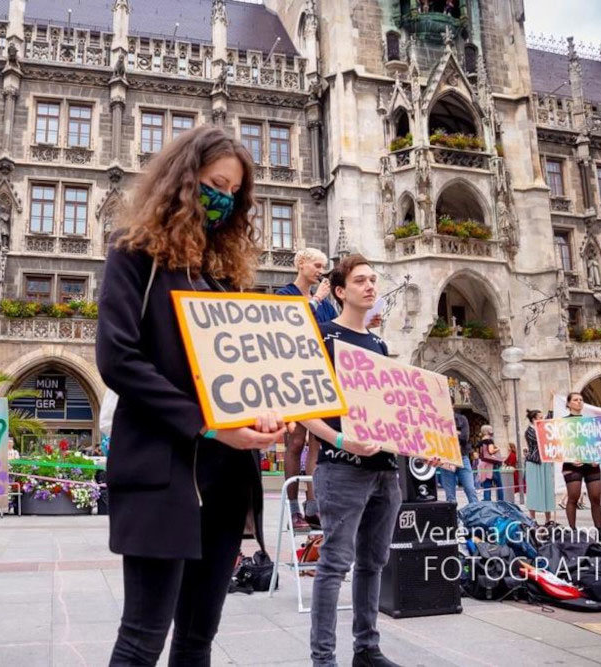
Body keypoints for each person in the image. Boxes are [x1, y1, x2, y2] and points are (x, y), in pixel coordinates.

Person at [96, 125, 288, 666]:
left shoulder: (224, 279)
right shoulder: (135, 254)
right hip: (163, 469)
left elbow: (245, 374)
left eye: (234, 193)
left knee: (197, 640)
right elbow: (117, 360)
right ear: (184, 180)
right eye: (215, 184)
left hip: (225, 478)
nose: (223, 200)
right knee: (141, 640)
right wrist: (205, 422)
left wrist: (273, 411)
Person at [301, 254, 402, 667]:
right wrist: (341, 438)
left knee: (373, 564)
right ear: (340, 291)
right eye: (361, 280)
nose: (371, 286)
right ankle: (324, 659)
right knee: (333, 566)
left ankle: (367, 649)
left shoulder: (379, 345)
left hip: (385, 471)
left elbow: (389, 410)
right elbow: (303, 407)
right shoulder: (324, 337)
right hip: (341, 467)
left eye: (374, 280)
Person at [275, 248, 337, 531]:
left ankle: (313, 507)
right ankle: (292, 509)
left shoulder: (326, 304)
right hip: (293, 374)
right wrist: (315, 300)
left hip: (319, 374)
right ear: (300, 264)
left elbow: (330, 331)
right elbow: (285, 327)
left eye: (324, 266)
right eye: (316, 265)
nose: (321, 271)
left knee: (318, 442)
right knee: (296, 441)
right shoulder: (284, 295)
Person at [561, 392, 601, 538]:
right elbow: (558, 445)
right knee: (573, 496)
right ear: (568, 404)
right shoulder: (563, 423)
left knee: (596, 497)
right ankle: (572, 530)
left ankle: (599, 531)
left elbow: (598, 441)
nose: (579, 402)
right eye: (575, 400)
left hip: (591, 463)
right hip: (572, 464)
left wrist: (597, 456)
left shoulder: (590, 421)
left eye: (581, 400)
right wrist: (570, 458)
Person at [439, 410, 478, 505]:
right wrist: (456, 433)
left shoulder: (461, 419)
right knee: (450, 495)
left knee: (470, 489)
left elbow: (465, 437)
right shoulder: (438, 420)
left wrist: (448, 432)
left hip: (461, 457)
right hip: (446, 459)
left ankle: (476, 513)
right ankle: (452, 518)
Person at [524, 410, 555, 524]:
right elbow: (540, 440)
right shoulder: (530, 431)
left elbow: (550, 416)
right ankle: (532, 518)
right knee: (534, 490)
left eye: (543, 417)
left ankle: (548, 519)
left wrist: (552, 399)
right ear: (534, 419)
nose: (543, 419)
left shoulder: (543, 428)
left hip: (545, 461)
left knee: (548, 489)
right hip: (534, 462)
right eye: (540, 417)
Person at [477, 425, 503, 502]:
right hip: (491, 465)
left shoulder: (480, 441)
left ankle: (487, 501)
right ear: (488, 431)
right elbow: (491, 451)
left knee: (487, 485)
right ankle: (501, 501)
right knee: (499, 484)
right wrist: (497, 448)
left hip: (483, 464)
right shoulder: (489, 441)